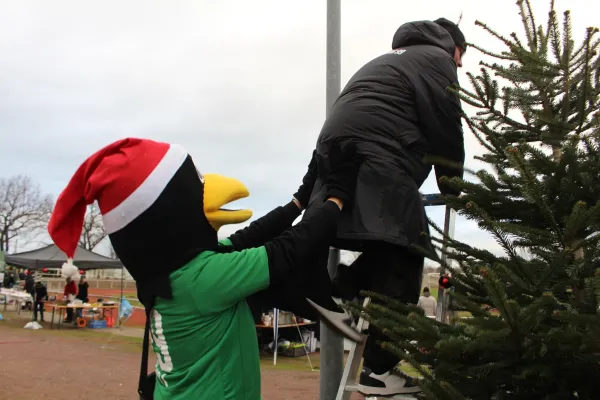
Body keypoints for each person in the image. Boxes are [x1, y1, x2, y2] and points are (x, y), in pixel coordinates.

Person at [46, 138, 362, 400]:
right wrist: (336, 196)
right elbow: (287, 250)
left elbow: (247, 238)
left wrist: (300, 198)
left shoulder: (176, 271)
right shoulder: (201, 278)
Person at [251, 17, 467, 397]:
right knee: (408, 251)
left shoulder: (389, 60)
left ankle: (341, 289)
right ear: (451, 45)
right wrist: (452, 186)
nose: (461, 66)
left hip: (336, 161)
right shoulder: (436, 59)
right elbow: (445, 122)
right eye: (461, 56)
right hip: (378, 163)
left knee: (386, 249)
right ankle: (380, 369)